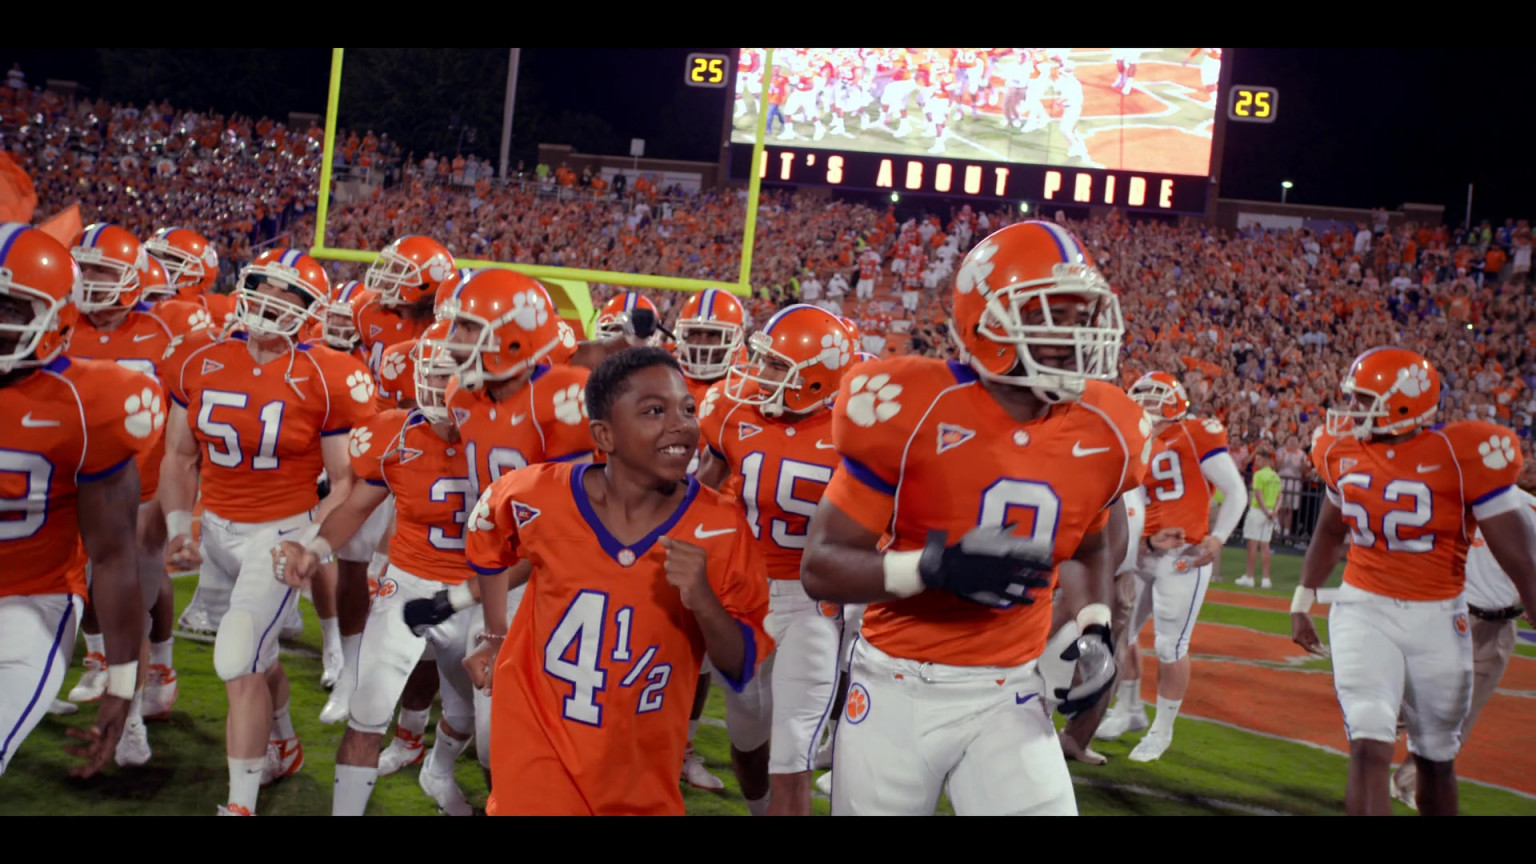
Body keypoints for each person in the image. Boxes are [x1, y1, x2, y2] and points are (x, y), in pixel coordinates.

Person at [800, 220, 1149, 816]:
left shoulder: (1108, 427)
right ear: (988, 321)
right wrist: (931, 568)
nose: (1076, 333)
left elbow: (1091, 549)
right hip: (896, 684)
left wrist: (1094, 629)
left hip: (1009, 689)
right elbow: (821, 567)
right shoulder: (912, 405)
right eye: (1052, 313)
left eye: (1080, 315)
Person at [462, 347, 773, 815]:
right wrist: (493, 632)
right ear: (604, 435)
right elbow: (486, 535)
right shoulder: (537, 493)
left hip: (641, 766)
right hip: (539, 746)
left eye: (688, 409)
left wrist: (704, 601)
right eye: (654, 411)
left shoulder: (723, 526)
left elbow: (741, 665)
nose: (681, 424)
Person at [158, 249, 376, 816]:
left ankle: (240, 804)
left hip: (279, 534)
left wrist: (312, 542)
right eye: (262, 285)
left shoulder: (328, 373)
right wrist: (181, 524)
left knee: (234, 657)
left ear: (311, 311)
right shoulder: (196, 356)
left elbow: (348, 482)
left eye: (290, 295)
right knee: (259, 653)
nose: (271, 301)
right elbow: (179, 455)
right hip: (217, 531)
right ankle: (282, 741)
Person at [1293, 347, 1536, 817]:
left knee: (1436, 757)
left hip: (1439, 617)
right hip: (1363, 607)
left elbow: (1520, 559)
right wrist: (1302, 598)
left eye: (1364, 400)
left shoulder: (1461, 453)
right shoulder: (1342, 451)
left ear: (1403, 403)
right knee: (1368, 744)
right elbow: (1328, 530)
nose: (1352, 410)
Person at [269, 330, 480, 816]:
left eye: (452, 375)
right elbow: (357, 506)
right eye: (434, 374)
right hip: (408, 585)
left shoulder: (503, 438)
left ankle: (438, 769)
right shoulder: (393, 432)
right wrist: (315, 546)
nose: (441, 386)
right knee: (366, 714)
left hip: (477, 592)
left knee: (472, 723)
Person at [0, 223, 153, 779]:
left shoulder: (92, 402)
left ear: (58, 316)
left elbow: (113, 557)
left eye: (11, 307)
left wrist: (120, 680)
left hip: (25, 607)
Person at [695, 303, 850, 816]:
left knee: (792, 751)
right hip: (740, 596)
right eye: (763, 362)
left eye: (778, 366)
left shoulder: (857, 432)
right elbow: (697, 497)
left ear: (817, 377)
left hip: (813, 603)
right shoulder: (733, 412)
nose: (760, 375)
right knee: (746, 735)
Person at [316, 235, 457, 728]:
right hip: (391, 441)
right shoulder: (367, 313)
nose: (385, 280)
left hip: (447, 459)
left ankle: (431, 699)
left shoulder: (453, 337)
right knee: (352, 556)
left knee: (421, 573)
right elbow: (358, 380)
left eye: (401, 271)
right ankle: (350, 668)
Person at [1095, 371, 1247, 763]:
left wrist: (1218, 537)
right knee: (1122, 631)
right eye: (1140, 400)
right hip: (1144, 549)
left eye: (1153, 401)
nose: (1145, 409)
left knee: (1169, 644)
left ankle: (1162, 730)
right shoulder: (1134, 440)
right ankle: (1128, 709)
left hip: (1184, 552)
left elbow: (1235, 491)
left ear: (1173, 404)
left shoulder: (1196, 433)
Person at [1388, 459, 1536, 808]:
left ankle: (1405, 782)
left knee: (1457, 718)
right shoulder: (1460, 501)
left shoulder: (1513, 508)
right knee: (1413, 700)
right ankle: (1373, 751)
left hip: (1495, 627)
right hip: (1455, 617)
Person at [671, 286, 750, 792]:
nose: (701, 344)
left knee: (699, 652)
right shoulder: (654, 375)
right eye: (694, 333)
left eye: (712, 335)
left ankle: (684, 749)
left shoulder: (749, 387)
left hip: (716, 536)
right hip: (652, 524)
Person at [1237, 446, 1282, 588]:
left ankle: (1249, 577)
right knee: (1265, 546)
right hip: (1270, 512)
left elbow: (1258, 494)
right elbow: (1280, 496)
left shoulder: (1258, 475)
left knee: (1252, 546)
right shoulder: (1276, 476)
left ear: (1267, 460)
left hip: (1258, 511)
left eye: (1259, 459)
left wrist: (1265, 511)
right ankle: (1266, 579)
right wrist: (1274, 511)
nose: (1257, 462)